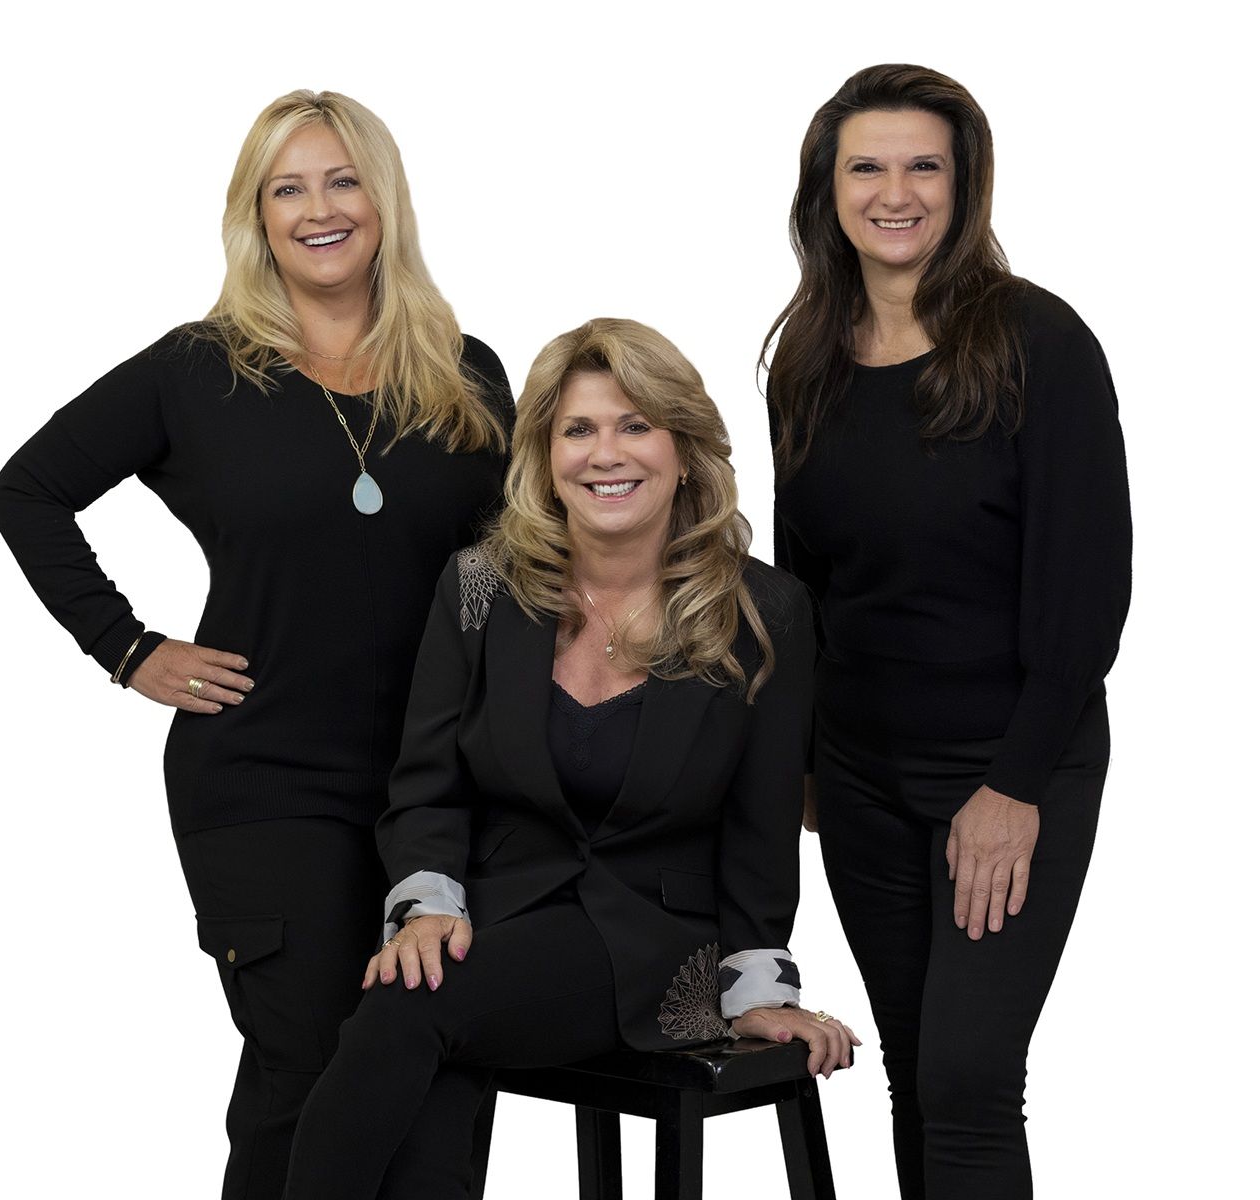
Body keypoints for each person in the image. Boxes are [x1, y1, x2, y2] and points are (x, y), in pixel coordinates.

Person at [0, 90, 514, 1200]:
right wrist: (126, 648)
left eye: (341, 180)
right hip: (268, 782)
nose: (319, 209)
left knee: (444, 1078)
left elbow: (517, 569)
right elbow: (26, 491)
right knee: (311, 1075)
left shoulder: (465, 373)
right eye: (288, 188)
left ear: (384, 199)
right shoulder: (199, 370)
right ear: (256, 217)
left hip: (444, 788)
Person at [281, 318, 857, 1199]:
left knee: (410, 1012)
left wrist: (758, 985)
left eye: (636, 425)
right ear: (544, 455)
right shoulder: (480, 585)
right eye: (578, 429)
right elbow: (427, 778)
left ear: (683, 447)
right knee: (429, 1067)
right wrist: (427, 904)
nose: (606, 454)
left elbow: (762, 825)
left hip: (659, 942)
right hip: (496, 915)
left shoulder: (764, 610)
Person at [764, 65, 1132, 1199]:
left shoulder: (1038, 342)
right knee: (919, 1074)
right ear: (826, 189)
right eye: (865, 165)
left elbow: (1087, 591)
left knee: (970, 1080)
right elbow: (804, 585)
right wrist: (808, 760)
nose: (895, 192)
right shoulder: (808, 361)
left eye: (923, 164)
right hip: (865, 778)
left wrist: (1013, 784)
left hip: (1011, 764)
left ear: (963, 185)